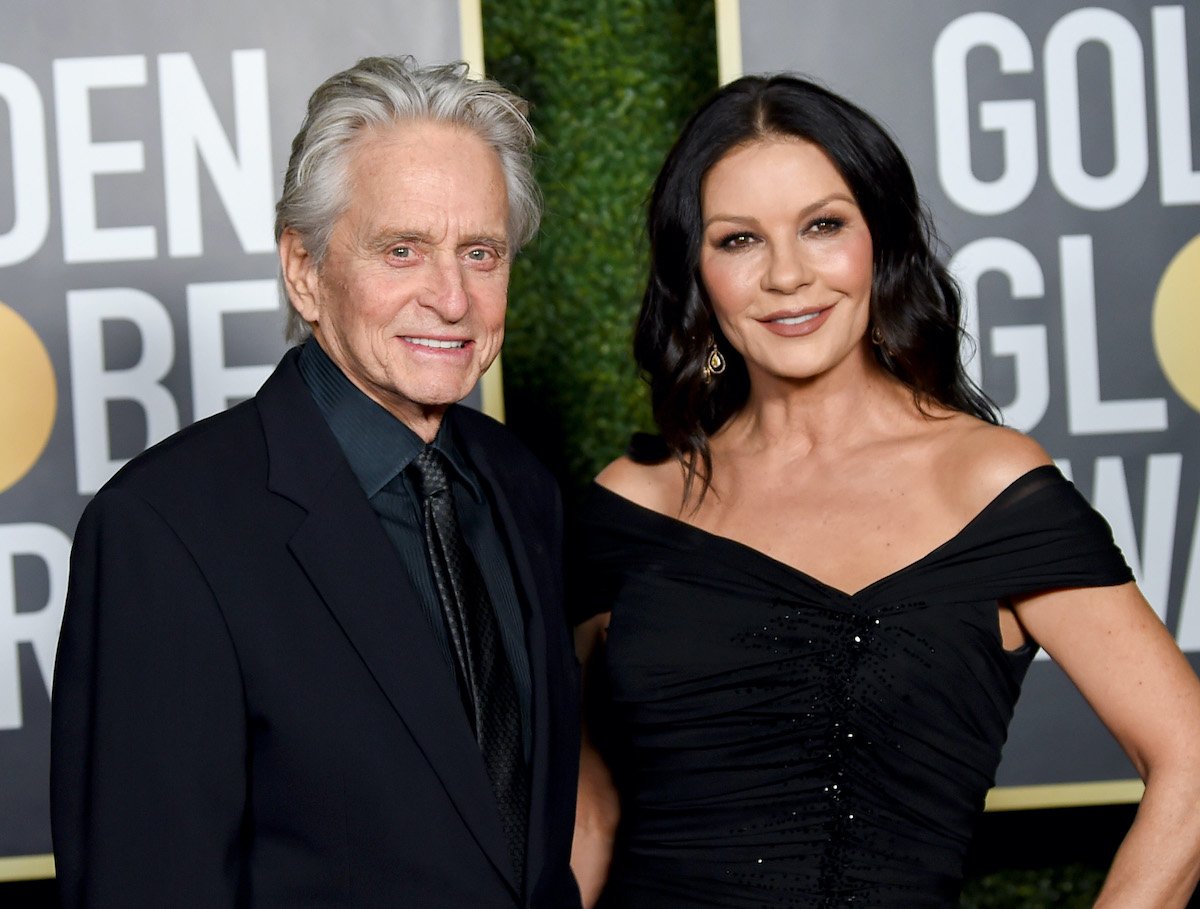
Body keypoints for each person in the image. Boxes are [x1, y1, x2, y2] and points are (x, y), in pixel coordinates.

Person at [570, 74, 1200, 908]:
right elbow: (586, 816)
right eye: (739, 240)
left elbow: (1191, 759)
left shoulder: (987, 484)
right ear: (696, 271)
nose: (787, 274)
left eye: (823, 226)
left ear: (882, 241)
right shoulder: (634, 504)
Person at [51, 56, 581, 909]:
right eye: (402, 249)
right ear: (304, 269)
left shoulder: (521, 485)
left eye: (480, 252)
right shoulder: (165, 529)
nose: (452, 298)